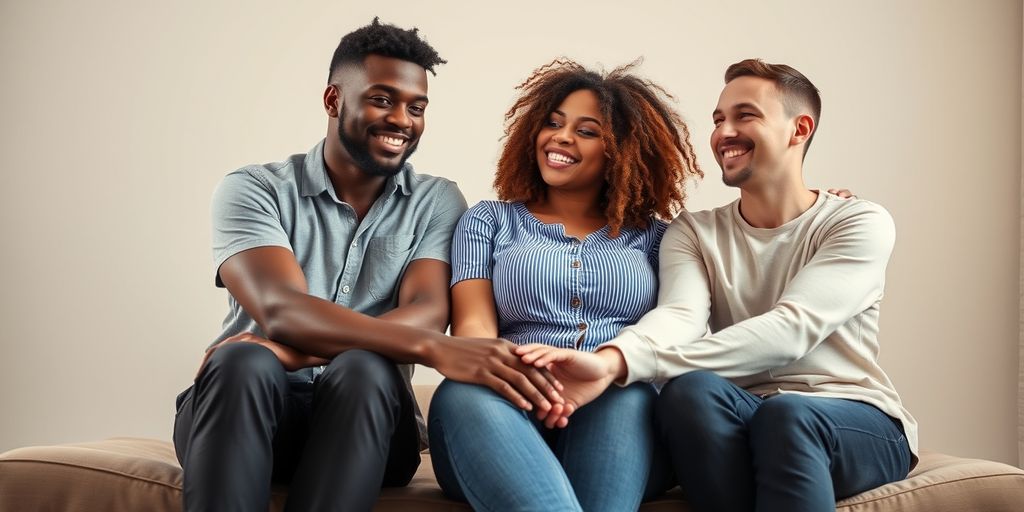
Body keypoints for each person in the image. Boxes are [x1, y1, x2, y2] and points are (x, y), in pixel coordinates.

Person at [172, 18, 562, 512]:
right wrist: (432, 348)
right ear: (334, 100)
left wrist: (295, 354)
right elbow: (284, 311)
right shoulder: (254, 189)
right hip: (247, 409)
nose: (402, 119)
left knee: (362, 367)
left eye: (416, 107)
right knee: (243, 360)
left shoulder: (437, 200)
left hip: (369, 416)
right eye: (382, 99)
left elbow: (424, 311)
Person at [518, 58, 917, 511]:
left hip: (852, 418)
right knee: (690, 392)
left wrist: (620, 364)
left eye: (745, 115)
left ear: (799, 129)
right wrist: (614, 358)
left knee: (787, 415)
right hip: (747, 415)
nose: (724, 132)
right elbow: (679, 317)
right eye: (718, 119)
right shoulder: (693, 231)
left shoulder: (857, 221)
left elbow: (791, 329)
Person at [427, 59, 703, 512]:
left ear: (622, 150)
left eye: (587, 131)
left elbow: (679, 325)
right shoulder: (489, 220)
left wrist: (821, 204)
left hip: (614, 405)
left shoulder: (659, 238)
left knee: (629, 393)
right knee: (465, 389)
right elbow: (474, 327)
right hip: (504, 400)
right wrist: (523, 378)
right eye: (553, 123)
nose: (561, 137)